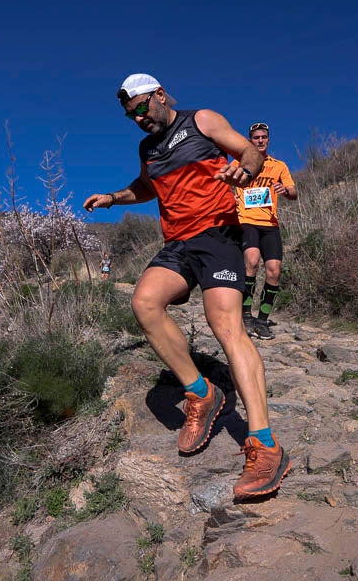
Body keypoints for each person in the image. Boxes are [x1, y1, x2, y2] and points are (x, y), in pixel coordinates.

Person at [83, 73, 292, 502]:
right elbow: (146, 187)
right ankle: (202, 392)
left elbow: (248, 151)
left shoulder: (201, 120)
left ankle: (265, 444)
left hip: (218, 235)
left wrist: (245, 169)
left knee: (225, 325)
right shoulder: (148, 149)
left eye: (142, 107)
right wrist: (112, 197)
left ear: (159, 95)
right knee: (144, 302)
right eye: (130, 114)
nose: (138, 118)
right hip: (178, 243)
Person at [234, 122, 297, 340]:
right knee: (251, 261)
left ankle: (262, 320)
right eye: (256, 137)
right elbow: (222, 184)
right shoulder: (239, 162)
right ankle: (245, 315)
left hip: (270, 224)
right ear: (250, 140)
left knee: (274, 270)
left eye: (263, 137)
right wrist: (229, 198)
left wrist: (285, 190)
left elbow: (293, 191)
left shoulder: (278, 165)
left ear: (268, 140)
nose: (260, 140)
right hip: (246, 220)